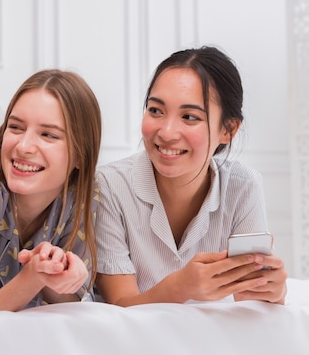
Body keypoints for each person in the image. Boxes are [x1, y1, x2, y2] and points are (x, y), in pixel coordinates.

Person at [95, 46, 288, 306]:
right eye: (155, 110)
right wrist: (179, 287)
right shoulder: (109, 185)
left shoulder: (243, 187)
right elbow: (119, 304)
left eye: (189, 116)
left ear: (228, 130)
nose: (167, 131)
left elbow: (249, 302)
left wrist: (273, 293)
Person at [0, 69, 102, 314]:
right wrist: (33, 277)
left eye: (48, 134)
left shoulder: (82, 196)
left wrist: (58, 276)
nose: (23, 146)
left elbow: (79, 305)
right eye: (15, 127)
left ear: (80, 155)